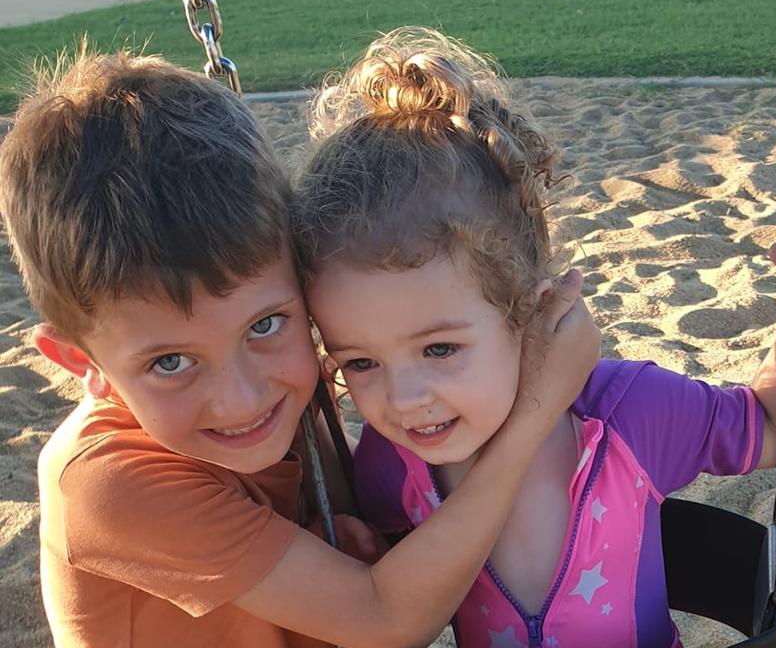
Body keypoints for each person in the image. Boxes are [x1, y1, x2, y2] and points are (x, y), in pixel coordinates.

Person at [0, 49, 600, 648]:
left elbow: (373, 549)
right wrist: (536, 411)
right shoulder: (107, 481)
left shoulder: (289, 389)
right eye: (170, 363)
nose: (241, 397)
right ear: (82, 363)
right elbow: (386, 620)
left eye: (265, 325)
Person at [293, 27, 776, 647]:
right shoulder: (391, 462)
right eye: (360, 362)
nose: (402, 398)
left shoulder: (626, 416)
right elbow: (385, 586)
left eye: (439, 349)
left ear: (530, 309)